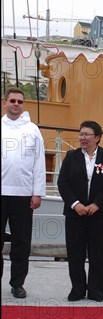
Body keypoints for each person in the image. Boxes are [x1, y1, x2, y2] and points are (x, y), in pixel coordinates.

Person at [57, 121, 103, 302]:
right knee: (75, 254)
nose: (82, 138)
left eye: (87, 134)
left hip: (99, 214)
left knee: (97, 254)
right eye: (81, 134)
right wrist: (75, 204)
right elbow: (63, 183)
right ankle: (77, 290)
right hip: (75, 214)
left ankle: (95, 291)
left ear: (97, 137)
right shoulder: (71, 156)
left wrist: (97, 204)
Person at [1, 87, 46, 299]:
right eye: (12, 100)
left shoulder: (33, 130)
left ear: (23, 104)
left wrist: (37, 193)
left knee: (21, 242)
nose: (16, 104)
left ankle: (17, 284)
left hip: (23, 194)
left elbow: (39, 163)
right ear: (5, 102)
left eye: (19, 101)